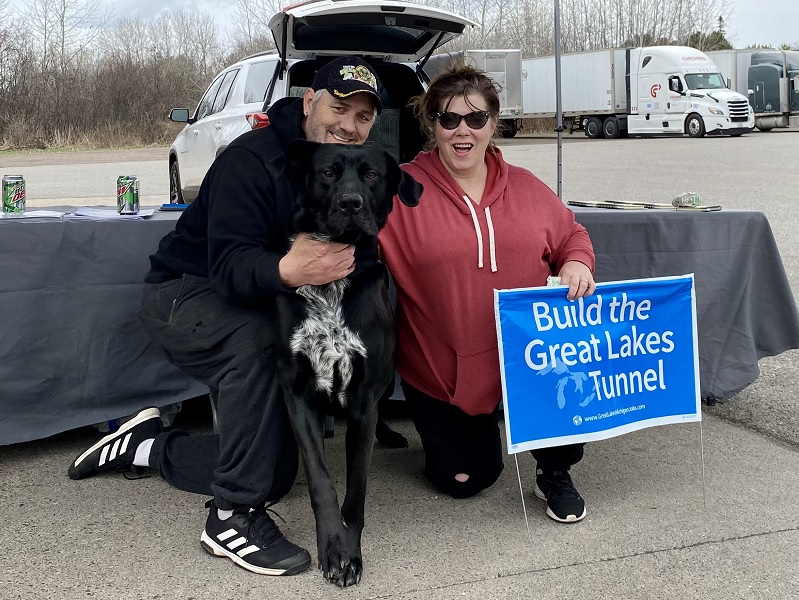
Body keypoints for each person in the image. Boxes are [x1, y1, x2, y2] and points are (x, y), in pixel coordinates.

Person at [67, 56, 386, 576]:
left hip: (259, 298)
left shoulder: (349, 171)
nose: (350, 126)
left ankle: (149, 447)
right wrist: (287, 268)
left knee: (278, 469)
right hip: (184, 294)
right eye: (340, 107)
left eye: (364, 116)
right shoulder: (252, 160)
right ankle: (231, 514)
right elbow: (230, 265)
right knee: (271, 340)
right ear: (309, 102)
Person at [378, 65, 596, 522]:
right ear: (431, 123)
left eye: (476, 120)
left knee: (562, 374)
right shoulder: (399, 190)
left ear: (493, 124)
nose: (463, 132)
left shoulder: (528, 187)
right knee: (464, 482)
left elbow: (571, 235)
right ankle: (457, 440)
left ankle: (553, 469)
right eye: (448, 118)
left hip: (530, 356)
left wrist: (576, 262)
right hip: (441, 368)